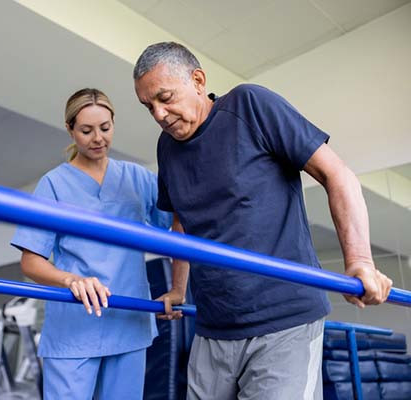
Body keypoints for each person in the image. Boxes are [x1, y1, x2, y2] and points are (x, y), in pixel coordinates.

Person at [132, 42, 393, 400]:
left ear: (197, 80)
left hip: (284, 321)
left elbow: (338, 175)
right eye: (149, 107)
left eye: (165, 97)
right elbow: (181, 221)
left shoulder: (249, 106)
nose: (159, 114)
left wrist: (360, 261)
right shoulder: (167, 148)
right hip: (213, 326)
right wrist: (179, 290)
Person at [11, 88, 186, 399]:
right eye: (86, 130)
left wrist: (177, 288)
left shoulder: (136, 178)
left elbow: (178, 227)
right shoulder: (53, 184)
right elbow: (31, 261)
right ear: (70, 129)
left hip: (129, 321)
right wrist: (72, 280)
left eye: (105, 128)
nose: (98, 139)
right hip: (74, 327)